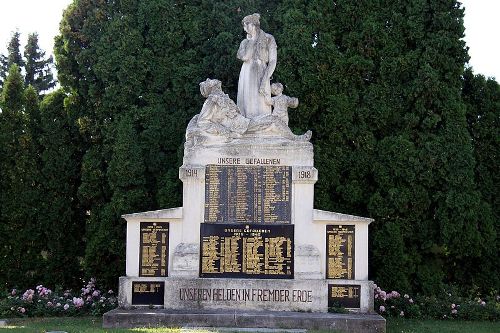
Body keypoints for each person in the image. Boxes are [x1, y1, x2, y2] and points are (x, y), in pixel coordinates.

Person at [236, 13, 277, 119]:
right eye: (244, 26)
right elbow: (245, 57)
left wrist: (265, 79)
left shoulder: (268, 38)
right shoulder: (245, 42)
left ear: (254, 25)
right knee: (246, 104)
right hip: (246, 72)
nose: (245, 29)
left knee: (262, 106)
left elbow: (272, 61)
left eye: (246, 25)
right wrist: (252, 40)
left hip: (261, 72)